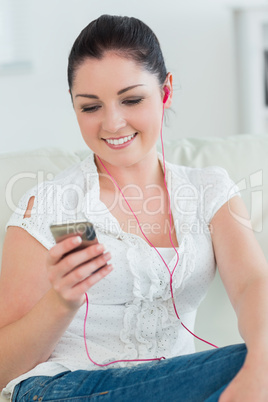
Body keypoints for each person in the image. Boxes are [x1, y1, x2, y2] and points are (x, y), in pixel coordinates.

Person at [0, 14, 268, 402]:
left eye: (131, 99)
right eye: (90, 107)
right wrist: (62, 302)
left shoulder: (210, 190)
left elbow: (251, 285)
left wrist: (259, 369)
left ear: (166, 91)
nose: (112, 123)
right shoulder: (49, 206)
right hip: (63, 388)